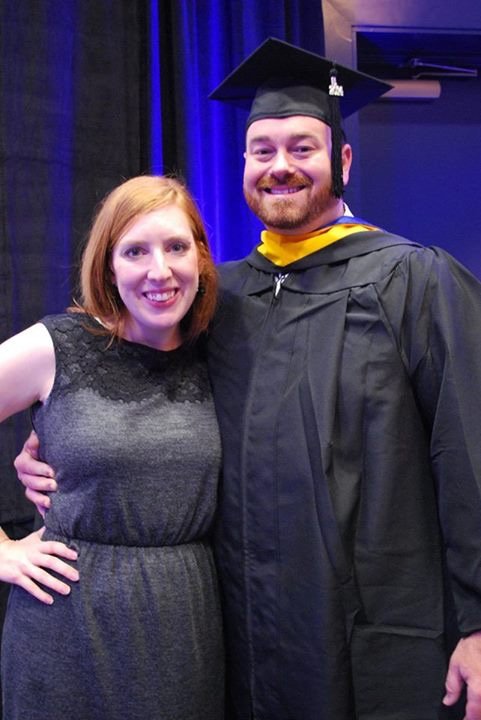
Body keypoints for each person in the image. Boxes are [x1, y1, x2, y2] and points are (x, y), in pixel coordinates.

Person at [15, 38, 481, 720]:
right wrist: (50, 443)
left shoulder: (412, 279)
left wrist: (477, 624)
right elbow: (145, 410)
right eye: (261, 150)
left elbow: (469, 455)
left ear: (342, 160)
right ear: (243, 165)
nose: (280, 167)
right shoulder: (219, 300)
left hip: (379, 627)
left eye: (302, 147)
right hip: (241, 634)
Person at [0, 175, 224, 720]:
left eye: (175, 246)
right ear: (108, 266)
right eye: (135, 251)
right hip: (66, 626)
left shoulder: (222, 350)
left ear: (200, 257)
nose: (159, 271)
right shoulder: (58, 346)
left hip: (186, 627)